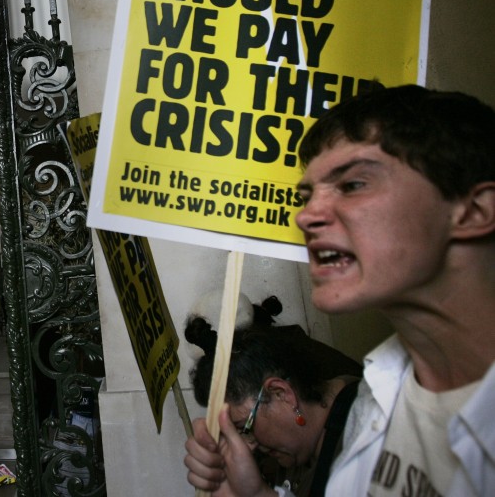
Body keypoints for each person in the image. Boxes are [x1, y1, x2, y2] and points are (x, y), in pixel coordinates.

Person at [188, 85, 495, 496]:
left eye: (352, 185)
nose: (306, 215)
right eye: (307, 195)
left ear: (474, 211)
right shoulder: (374, 401)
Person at [183, 313, 362, 497]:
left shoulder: (365, 436)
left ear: (281, 393)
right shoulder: (294, 454)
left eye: (245, 428)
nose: (248, 446)